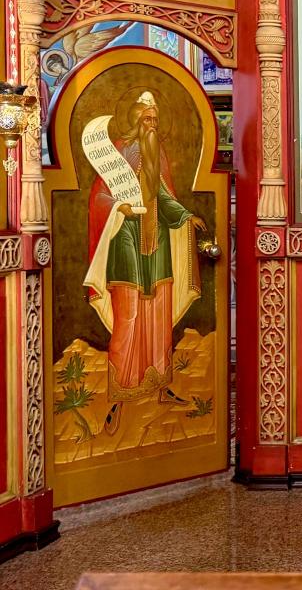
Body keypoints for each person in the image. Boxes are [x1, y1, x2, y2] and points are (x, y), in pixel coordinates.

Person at [84, 90, 206, 435]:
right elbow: (99, 197)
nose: (152, 125)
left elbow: (163, 195)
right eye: (147, 119)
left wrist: (186, 216)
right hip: (125, 243)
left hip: (158, 245)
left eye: (156, 120)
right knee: (129, 316)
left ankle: (160, 383)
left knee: (158, 315)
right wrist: (118, 207)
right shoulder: (119, 152)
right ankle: (118, 396)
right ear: (136, 120)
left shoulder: (156, 155)